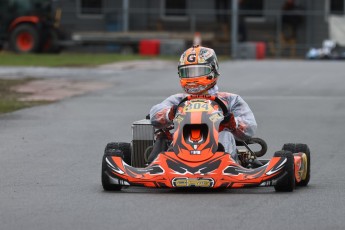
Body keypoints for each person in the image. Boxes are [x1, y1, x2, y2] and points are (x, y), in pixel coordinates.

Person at [149, 45, 257, 163]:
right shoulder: (178, 100)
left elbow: (250, 126)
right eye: (188, 72)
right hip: (182, 149)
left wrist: (233, 123)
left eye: (199, 71)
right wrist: (169, 114)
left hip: (219, 151)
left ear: (213, 70)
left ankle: (224, 163)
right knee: (174, 135)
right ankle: (171, 163)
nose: (193, 77)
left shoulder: (230, 99)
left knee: (226, 134)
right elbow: (154, 115)